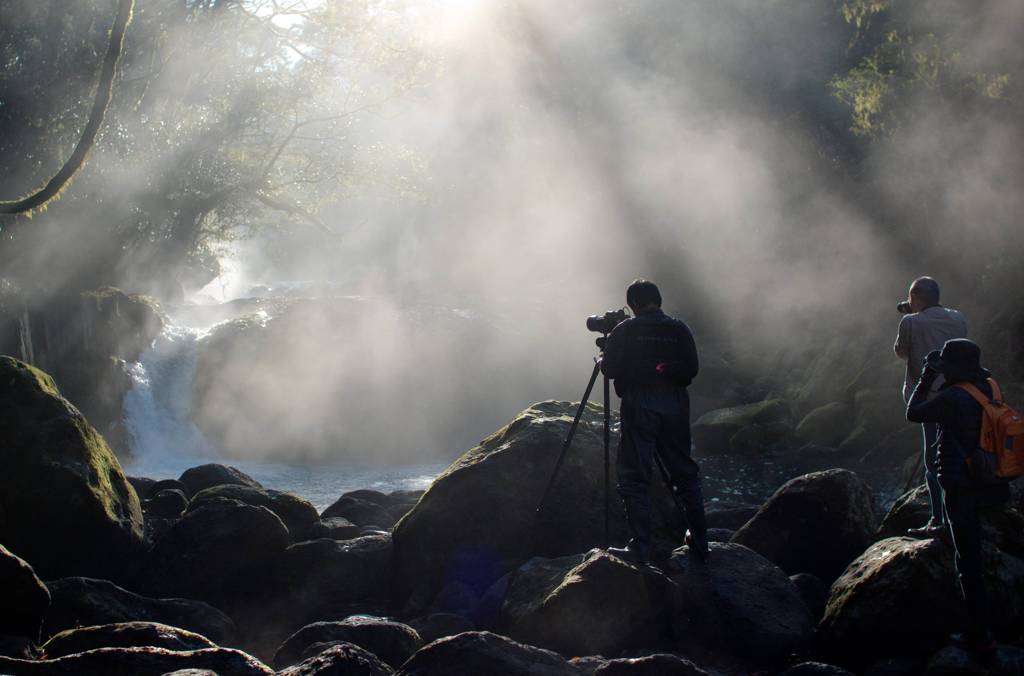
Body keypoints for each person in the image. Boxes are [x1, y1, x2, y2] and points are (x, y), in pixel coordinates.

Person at [906, 339, 1007, 652]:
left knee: (968, 560)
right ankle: (994, 623)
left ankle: (978, 634)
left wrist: (926, 376)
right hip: (990, 480)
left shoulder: (951, 397)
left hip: (960, 485)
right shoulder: (990, 388)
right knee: (976, 551)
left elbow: (914, 412)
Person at [599, 279, 707, 564]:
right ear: (658, 301)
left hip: (639, 406)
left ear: (633, 304)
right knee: (684, 473)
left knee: (635, 475)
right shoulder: (680, 328)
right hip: (675, 406)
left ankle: (641, 547)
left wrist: (601, 358)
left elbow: (609, 369)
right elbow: (692, 369)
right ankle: (700, 541)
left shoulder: (625, 330)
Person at [894, 277, 967, 538]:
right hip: (959, 397)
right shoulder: (958, 317)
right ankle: (960, 514)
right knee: (956, 455)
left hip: (928, 400)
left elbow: (901, 353)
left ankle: (939, 520)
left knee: (933, 461)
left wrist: (910, 318)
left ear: (915, 297)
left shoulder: (910, 321)